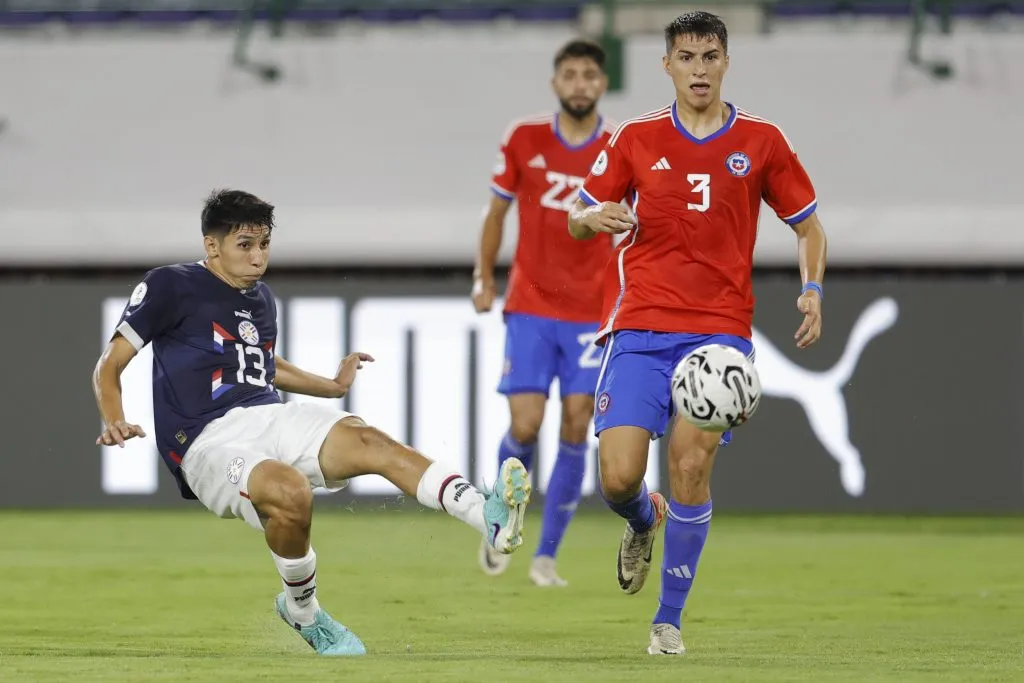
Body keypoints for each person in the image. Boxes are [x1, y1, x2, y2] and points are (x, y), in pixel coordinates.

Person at [92, 189, 532, 656]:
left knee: (369, 441)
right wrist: (115, 418)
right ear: (212, 246)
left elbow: (260, 364)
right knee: (289, 494)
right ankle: (304, 613)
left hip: (269, 415)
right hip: (205, 440)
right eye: (245, 244)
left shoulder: (261, 299)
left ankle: (485, 514)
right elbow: (109, 364)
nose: (258, 257)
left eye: (263, 244)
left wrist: (331, 386)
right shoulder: (169, 285)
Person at [568, 11, 827, 654]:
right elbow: (576, 218)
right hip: (640, 328)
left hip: (718, 335)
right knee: (618, 477)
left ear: (726, 61)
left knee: (690, 465)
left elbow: (809, 227)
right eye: (686, 58)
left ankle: (668, 621)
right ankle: (641, 521)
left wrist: (812, 289)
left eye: (710, 56)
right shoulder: (635, 137)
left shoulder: (763, 141)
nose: (699, 69)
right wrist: (594, 217)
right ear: (667, 66)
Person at [472, 38, 615, 586]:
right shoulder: (524, 137)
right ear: (556, 83)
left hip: (591, 312)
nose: (580, 84)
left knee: (577, 427)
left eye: (589, 75)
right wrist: (484, 277)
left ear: (602, 83)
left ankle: (546, 556)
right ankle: (501, 520)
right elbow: (496, 213)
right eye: (570, 74)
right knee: (525, 424)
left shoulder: (621, 145)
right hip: (531, 304)